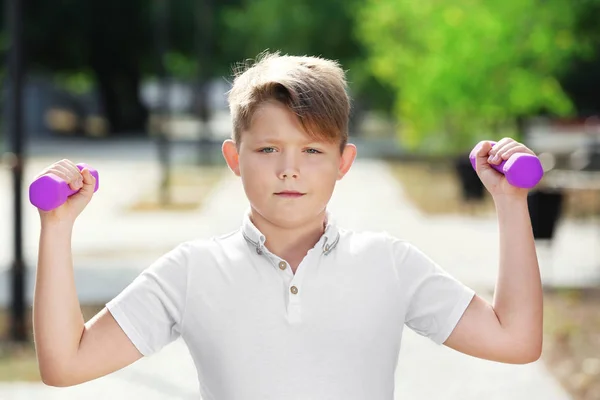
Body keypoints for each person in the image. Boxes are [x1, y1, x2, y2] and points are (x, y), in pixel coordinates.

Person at [32, 52, 543, 399]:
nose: (289, 168)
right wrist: (56, 228)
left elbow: (516, 341)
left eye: (313, 150)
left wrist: (510, 203)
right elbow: (66, 364)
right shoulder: (192, 271)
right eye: (269, 148)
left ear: (344, 162)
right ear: (235, 157)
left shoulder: (388, 263)